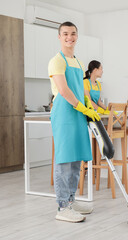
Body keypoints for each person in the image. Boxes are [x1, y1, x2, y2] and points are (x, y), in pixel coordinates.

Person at [48, 21, 100, 223]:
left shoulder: (78, 61)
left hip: (77, 112)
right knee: (64, 159)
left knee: (77, 159)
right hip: (64, 113)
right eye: (65, 34)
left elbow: (81, 90)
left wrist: (91, 106)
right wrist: (81, 106)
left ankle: (71, 200)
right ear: (59, 37)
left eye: (73, 34)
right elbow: (63, 90)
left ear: (77, 36)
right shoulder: (56, 61)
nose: (70, 37)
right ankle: (62, 207)